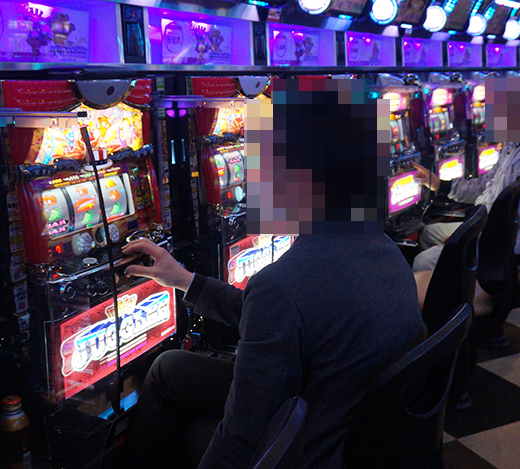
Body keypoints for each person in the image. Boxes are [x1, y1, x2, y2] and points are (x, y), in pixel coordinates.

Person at [120, 79, 427, 469]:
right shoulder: (379, 245)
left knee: (193, 435)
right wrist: (185, 280)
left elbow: (243, 441)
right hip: (362, 429)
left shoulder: (282, 287)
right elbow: (292, 314)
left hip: (313, 449)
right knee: (172, 368)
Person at [413, 112, 520, 273]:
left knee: (423, 261)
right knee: (429, 233)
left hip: (509, 246)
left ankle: (472, 285)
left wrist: (468, 238)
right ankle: (462, 282)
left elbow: (512, 218)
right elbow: (484, 185)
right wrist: (441, 185)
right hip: (495, 228)